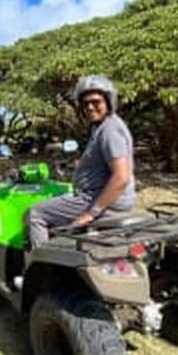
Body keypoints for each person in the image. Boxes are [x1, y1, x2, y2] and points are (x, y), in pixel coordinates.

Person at [26, 75, 135, 249]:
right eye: (85, 104)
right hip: (105, 198)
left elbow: (121, 177)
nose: (90, 107)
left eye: (96, 102)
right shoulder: (104, 127)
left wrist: (91, 213)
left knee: (36, 213)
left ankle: (41, 263)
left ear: (109, 102)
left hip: (98, 200)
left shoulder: (110, 131)